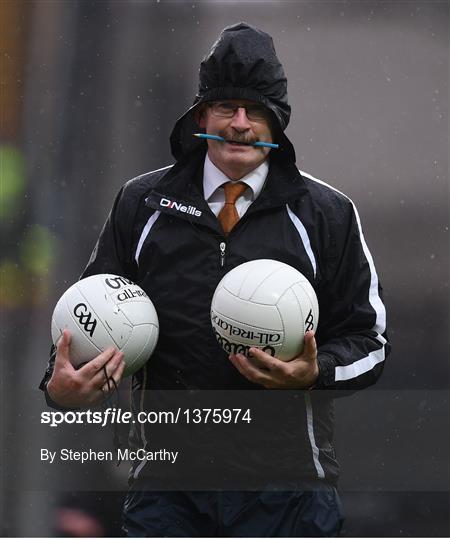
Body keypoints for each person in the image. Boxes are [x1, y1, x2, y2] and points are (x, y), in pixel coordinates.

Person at [40, 22, 390, 536]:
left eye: (257, 111)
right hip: (167, 491)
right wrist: (60, 386)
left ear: (278, 124)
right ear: (202, 115)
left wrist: (314, 374)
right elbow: (83, 318)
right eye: (226, 106)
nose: (241, 124)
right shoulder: (142, 204)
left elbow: (371, 342)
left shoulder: (327, 214)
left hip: (289, 493)